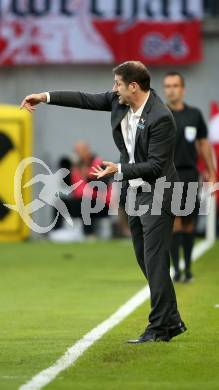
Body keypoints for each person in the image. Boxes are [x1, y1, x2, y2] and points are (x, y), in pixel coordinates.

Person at [20, 61, 186, 343]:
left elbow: (157, 166)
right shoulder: (120, 102)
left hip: (158, 191)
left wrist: (118, 170)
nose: (113, 90)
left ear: (133, 86)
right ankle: (171, 321)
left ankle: (159, 328)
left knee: (155, 260)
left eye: (118, 84)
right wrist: (45, 97)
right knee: (145, 260)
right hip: (133, 191)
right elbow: (84, 99)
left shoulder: (161, 117)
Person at [163, 71, 216, 283]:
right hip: (167, 175)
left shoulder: (194, 115)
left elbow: (203, 144)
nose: (171, 90)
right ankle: (176, 270)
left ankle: (188, 269)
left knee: (189, 223)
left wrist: (212, 171)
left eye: (175, 85)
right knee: (174, 222)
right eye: (167, 86)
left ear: (183, 89)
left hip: (189, 174)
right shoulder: (160, 114)